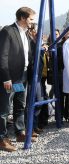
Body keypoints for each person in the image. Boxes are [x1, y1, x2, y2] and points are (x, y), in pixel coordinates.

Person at [0, 7, 37, 152]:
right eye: (31, 19)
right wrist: (6, 78)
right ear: (22, 18)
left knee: (19, 104)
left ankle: (19, 132)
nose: (32, 22)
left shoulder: (26, 34)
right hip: (11, 78)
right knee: (4, 108)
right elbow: (2, 57)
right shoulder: (7, 31)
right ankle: (2, 138)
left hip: (22, 77)